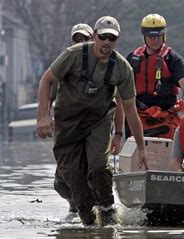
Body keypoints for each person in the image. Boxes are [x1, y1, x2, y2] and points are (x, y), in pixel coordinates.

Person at [36, 16, 148, 225]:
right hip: (68, 122)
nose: (106, 42)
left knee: (97, 167)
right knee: (74, 178)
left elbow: (130, 109)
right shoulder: (73, 55)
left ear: (117, 40)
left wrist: (139, 146)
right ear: (95, 36)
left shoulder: (122, 68)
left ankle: (107, 210)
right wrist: (43, 117)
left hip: (98, 121)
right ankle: (86, 218)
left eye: (111, 39)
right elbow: (46, 80)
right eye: (103, 37)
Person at [126, 13, 184, 139]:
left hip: (166, 117)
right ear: (144, 36)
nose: (155, 40)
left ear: (164, 35)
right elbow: (120, 89)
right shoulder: (132, 58)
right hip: (139, 116)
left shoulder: (173, 58)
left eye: (158, 36)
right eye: (151, 36)